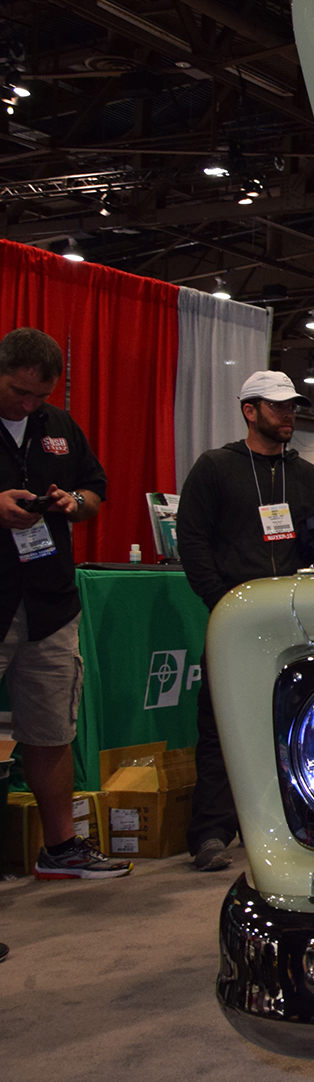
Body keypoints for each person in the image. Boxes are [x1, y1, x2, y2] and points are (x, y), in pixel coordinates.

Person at [175, 370, 314, 871]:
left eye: (292, 406)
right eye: (277, 406)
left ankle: (305, 824)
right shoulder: (215, 468)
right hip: (235, 617)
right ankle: (211, 833)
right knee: (220, 724)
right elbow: (193, 541)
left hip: (295, 620)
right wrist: (222, 602)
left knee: (305, 725)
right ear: (250, 411)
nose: (288, 414)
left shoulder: (309, 477)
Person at [0, 328, 124, 879]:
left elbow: (95, 490)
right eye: (19, 392)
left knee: (51, 729)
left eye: (40, 396)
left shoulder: (59, 426)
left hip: (50, 603)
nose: (29, 404)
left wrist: (74, 502)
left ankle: (60, 847)